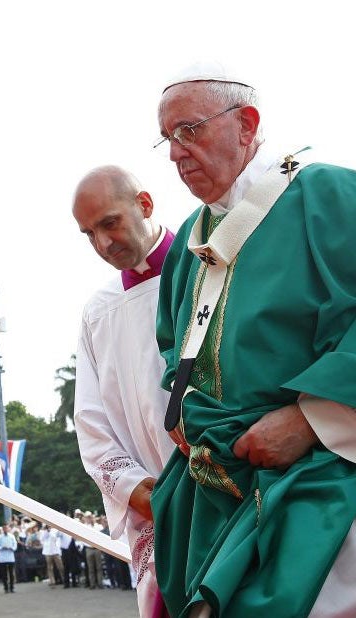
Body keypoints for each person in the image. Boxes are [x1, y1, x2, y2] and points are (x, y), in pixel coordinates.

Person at [152, 61, 356, 617]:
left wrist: (314, 419)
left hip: (315, 484)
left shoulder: (328, 195)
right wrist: (183, 409)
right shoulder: (188, 243)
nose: (174, 152)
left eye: (189, 131)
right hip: (210, 493)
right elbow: (174, 351)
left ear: (247, 124)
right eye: (167, 138)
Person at [72, 166, 175, 616]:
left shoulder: (214, 268)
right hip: (157, 508)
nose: (102, 244)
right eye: (88, 233)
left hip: (235, 493)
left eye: (109, 223)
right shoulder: (99, 312)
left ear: (145, 205)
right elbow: (90, 424)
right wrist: (137, 492)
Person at [0, 524, 17, 593]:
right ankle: (6, 588)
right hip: (3, 557)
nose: (5, 530)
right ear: (3, 529)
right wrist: (2, 548)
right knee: (4, 574)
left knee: (11, 574)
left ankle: (12, 588)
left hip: (10, 556)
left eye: (6, 528)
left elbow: (15, 545)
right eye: (4, 528)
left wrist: (12, 548)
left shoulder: (12, 536)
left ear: (8, 529)